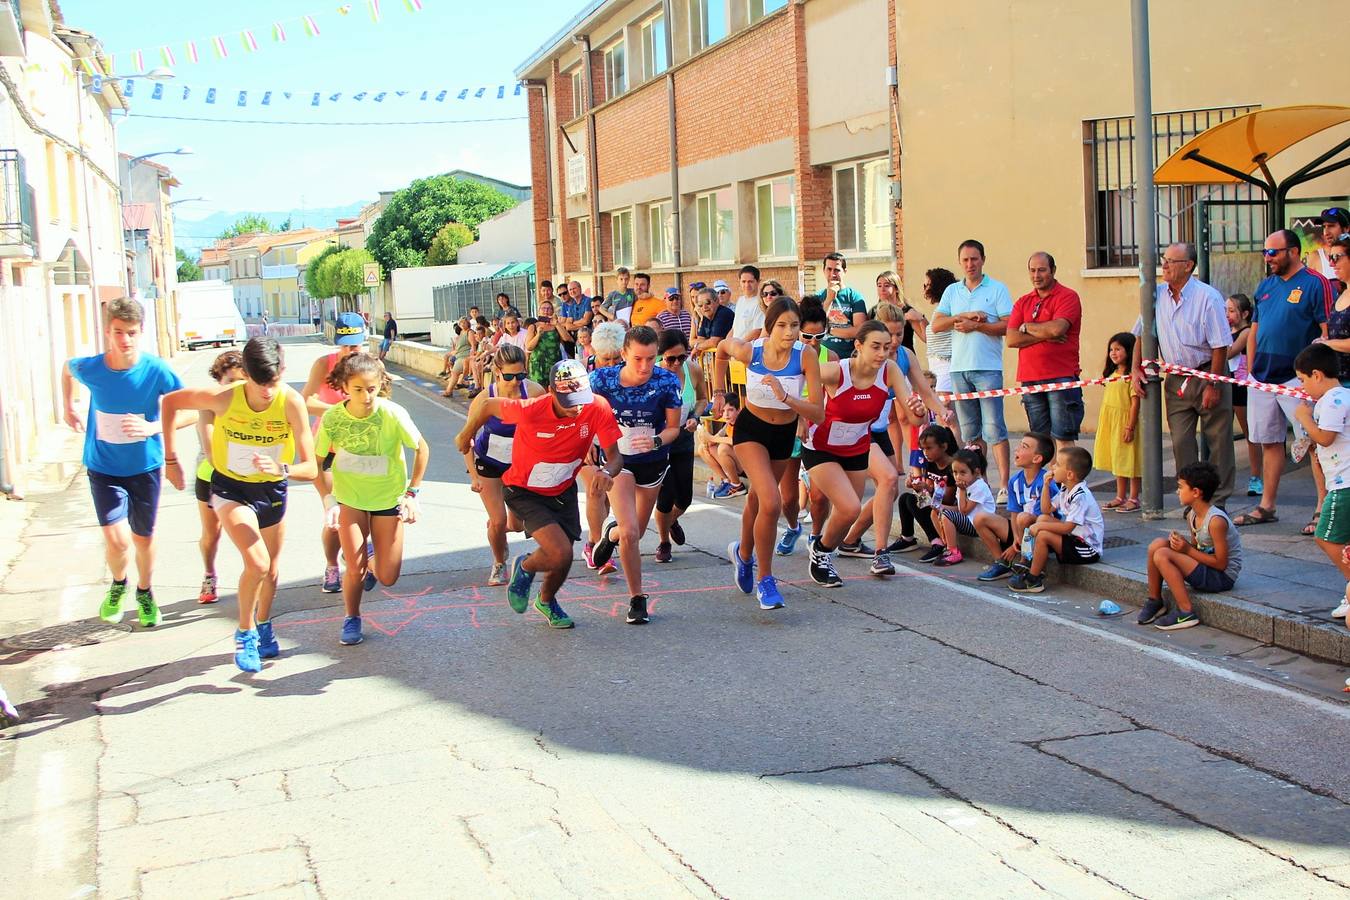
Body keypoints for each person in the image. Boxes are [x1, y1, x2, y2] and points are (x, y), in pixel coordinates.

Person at [162, 337, 318, 672]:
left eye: (273, 383)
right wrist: (171, 459)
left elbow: (312, 467)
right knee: (258, 562)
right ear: (245, 374)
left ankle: (263, 624)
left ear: (283, 372)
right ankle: (245, 632)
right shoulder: (222, 398)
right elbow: (170, 403)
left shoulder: (291, 402)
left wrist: (282, 469)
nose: (266, 392)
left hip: (272, 490)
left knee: (272, 569)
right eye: (259, 383)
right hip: (230, 489)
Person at [455, 359, 623, 630]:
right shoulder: (531, 409)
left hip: (563, 488)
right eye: (569, 400)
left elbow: (616, 457)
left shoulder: (597, 407)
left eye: (581, 398)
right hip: (523, 490)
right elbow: (486, 405)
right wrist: (467, 434)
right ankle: (526, 568)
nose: (577, 407)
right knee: (560, 552)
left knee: (563, 555)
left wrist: (607, 471)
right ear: (550, 391)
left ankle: (545, 598)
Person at [61, 298, 186, 627]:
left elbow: (188, 409)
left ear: (141, 331)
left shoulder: (156, 370)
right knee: (117, 540)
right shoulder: (92, 368)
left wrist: (152, 427)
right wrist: (69, 406)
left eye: (131, 332)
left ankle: (145, 591)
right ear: (107, 331)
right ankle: (118, 585)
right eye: (118, 332)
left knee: (143, 538)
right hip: (103, 468)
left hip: (145, 467)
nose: (124, 340)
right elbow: (66, 368)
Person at [315, 353, 430, 646]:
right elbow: (317, 463)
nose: (366, 396)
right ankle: (351, 617)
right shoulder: (332, 418)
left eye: (372, 389)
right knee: (353, 569)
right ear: (344, 386)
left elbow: (421, 449)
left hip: (387, 498)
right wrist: (329, 500)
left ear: (380, 385)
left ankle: (367, 554)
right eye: (358, 390)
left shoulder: (392, 413)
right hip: (350, 499)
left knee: (388, 576)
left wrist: (412, 494)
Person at [717, 298, 825, 609]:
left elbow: (817, 413)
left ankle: (744, 554)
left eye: (794, 325)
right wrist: (719, 391)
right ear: (769, 327)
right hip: (751, 431)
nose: (790, 332)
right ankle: (766, 579)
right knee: (771, 501)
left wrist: (786, 396)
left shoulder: (806, 356)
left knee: (758, 499)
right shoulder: (752, 351)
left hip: (783, 434)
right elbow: (723, 348)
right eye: (782, 325)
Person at [801, 321, 915, 584]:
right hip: (821, 447)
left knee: (846, 512)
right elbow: (800, 377)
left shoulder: (889, 371)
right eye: (875, 347)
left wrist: (918, 410)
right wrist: (799, 416)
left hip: (856, 448)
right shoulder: (835, 371)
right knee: (850, 507)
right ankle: (820, 552)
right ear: (858, 346)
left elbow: (912, 416)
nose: (882, 353)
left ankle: (825, 549)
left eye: (886, 347)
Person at [586, 326, 684, 624]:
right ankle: (636, 598)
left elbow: (673, 428)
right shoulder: (601, 380)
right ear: (624, 353)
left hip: (653, 461)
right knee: (631, 532)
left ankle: (610, 535)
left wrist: (656, 440)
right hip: (619, 460)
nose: (644, 367)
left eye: (651, 359)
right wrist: (589, 441)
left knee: (635, 532)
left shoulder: (666, 380)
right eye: (638, 359)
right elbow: (582, 415)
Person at [1129, 241, 1236, 513]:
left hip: (1208, 370)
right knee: (1180, 442)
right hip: (1176, 377)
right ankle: (1191, 497)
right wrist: (1135, 368)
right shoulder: (1156, 295)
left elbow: (1220, 345)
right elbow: (1142, 332)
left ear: (1188, 266)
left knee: (1218, 440)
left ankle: (1218, 499)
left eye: (1171, 261)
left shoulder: (1207, 297)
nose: (1164, 265)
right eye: (1163, 259)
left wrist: (1213, 384)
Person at [1236, 229, 1331, 526]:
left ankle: (1322, 508)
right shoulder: (1265, 286)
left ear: (1292, 251)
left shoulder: (1316, 283)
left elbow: (1327, 332)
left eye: (1273, 252)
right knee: (1269, 441)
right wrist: (1251, 371)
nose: (1268, 258)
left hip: (1297, 377)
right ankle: (1267, 505)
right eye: (1265, 252)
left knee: (1314, 442)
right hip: (1263, 376)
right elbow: (1255, 330)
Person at [931, 239, 1013, 499]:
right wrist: (961, 318)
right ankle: (981, 484)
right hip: (959, 369)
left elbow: (1007, 325)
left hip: (987, 367)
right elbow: (936, 324)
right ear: (960, 262)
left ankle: (1004, 485)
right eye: (965, 260)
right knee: (970, 432)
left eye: (974, 259)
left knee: (994, 428)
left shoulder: (997, 289)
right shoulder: (953, 292)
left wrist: (978, 326)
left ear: (983, 260)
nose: (970, 264)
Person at [465, 344, 546, 586]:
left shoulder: (534, 392)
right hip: (488, 462)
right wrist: (473, 476)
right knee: (498, 520)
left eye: (520, 376)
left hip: (518, 466)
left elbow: (548, 428)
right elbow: (466, 438)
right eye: (508, 376)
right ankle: (499, 563)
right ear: (497, 371)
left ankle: (498, 531)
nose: (514, 382)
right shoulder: (485, 397)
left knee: (516, 524)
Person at [303, 311, 368, 593]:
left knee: (363, 511)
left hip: (362, 452)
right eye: (344, 345)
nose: (349, 351)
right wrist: (339, 411)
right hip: (326, 451)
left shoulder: (372, 367)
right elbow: (305, 400)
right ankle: (331, 566)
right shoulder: (324, 364)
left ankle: (354, 555)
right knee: (336, 513)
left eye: (354, 345)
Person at [1138, 462, 1242, 631]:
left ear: (1196, 492)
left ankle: (1186, 611)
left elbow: (1221, 564)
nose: (1178, 491)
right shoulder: (1192, 514)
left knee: (1162, 554)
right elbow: (1197, 547)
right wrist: (1182, 545)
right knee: (1156, 545)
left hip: (1222, 577)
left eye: (1181, 487)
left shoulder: (1216, 521)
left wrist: (1186, 550)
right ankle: (1155, 600)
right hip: (1207, 568)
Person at [1291, 343, 1350, 620]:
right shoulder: (1337, 398)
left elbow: (1325, 437)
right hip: (1341, 481)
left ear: (1317, 374)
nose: (1302, 388)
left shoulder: (1334, 400)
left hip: (1344, 484)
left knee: (1325, 536)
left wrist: (1303, 418)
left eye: (1302, 380)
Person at [1005, 251, 1084, 451]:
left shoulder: (1068, 296)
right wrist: (1045, 333)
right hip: (1030, 378)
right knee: (1040, 442)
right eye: (1032, 271)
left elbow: (1058, 329)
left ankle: (1067, 481)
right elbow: (1012, 339)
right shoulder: (1023, 301)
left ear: (1053, 270)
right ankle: (1048, 482)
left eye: (1042, 270)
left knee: (1063, 438)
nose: (1036, 276)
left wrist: (1027, 326)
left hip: (1061, 377)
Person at [775, 298, 835, 553]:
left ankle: (817, 535)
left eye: (819, 335)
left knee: (819, 495)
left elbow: (834, 397)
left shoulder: (829, 356)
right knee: (788, 498)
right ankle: (792, 527)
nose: (813, 341)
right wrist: (799, 418)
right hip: (789, 425)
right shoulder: (786, 354)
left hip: (818, 427)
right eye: (807, 335)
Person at [1009, 447, 1103, 594]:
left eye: (1057, 464)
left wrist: (1039, 527)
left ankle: (1033, 580)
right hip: (1074, 537)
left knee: (1043, 534)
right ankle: (1030, 558)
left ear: (1070, 474)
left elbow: (1067, 528)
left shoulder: (1080, 496)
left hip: (1087, 548)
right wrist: (1046, 485)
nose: (1052, 467)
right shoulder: (1066, 488)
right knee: (1042, 517)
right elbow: (1046, 510)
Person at [194, 350, 245, 604]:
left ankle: (255, 578)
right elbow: (211, 449)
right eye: (230, 381)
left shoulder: (253, 403)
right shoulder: (209, 405)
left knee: (247, 532)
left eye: (242, 380)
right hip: (211, 476)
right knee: (211, 534)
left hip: (246, 476)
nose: (237, 387)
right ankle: (209, 573)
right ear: (219, 382)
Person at [974, 432, 1057, 582]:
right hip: (1020, 530)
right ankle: (1002, 562)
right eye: (1019, 445)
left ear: (1037, 458)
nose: (1017, 449)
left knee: (1025, 518)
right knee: (980, 518)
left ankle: (1025, 563)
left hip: (1040, 535)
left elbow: (1040, 519)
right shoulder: (1014, 481)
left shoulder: (1046, 482)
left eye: (1024, 447)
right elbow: (1014, 513)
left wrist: (1016, 545)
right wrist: (1016, 539)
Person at [653, 329, 706, 563]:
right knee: (665, 497)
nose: (676, 363)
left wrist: (696, 415)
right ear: (660, 355)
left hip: (684, 436)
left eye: (681, 357)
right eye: (670, 358)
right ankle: (664, 542)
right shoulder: (651, 373)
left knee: (684, 498)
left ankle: (672, 520)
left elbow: (703, 398)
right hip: (660, 440)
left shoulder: (692, 369)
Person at [578, 322, 626, 574]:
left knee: (610, 496)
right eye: (606, 359)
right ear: (596, 353)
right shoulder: (584, 372)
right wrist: (583, 443)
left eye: (617, 358)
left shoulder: (629, 371)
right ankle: (597, 547)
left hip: (617, 439)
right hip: (589, 439)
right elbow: (575, 412)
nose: (612, 364)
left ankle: (603, 540)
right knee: (595, 491)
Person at [891, 424, 958, 560]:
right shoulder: (930, 463)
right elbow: (926, 494)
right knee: (906, 498)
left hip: (949, 510)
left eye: (929, 448)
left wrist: (928, 489)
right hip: (935, 503)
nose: (925, 453)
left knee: (917, 502)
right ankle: (907, 538)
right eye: (923, 449)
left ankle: (937, 542)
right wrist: (917, 487)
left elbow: (948, 500)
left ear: (944, 447)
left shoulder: (953, 467)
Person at [1096, 332, 1142, 513]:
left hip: (1125, 423)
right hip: (1111, 423)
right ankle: (1119, 496)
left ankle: (1133, 497)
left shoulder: (1132, 376)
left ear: (1129, 351)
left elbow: (1135, 402)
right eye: (1111, 350)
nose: (1113, 353)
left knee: (1131, 460)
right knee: (1118, 459)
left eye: (1118, 349)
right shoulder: (1112, 374)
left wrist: (1130, 426)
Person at [932, 446, 996, 568]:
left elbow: (964, 510)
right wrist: (939, 507)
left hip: (979, 525)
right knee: (935, 513)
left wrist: (961, 491)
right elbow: (959, 509)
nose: (958, 477)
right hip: (968, 520)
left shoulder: (979, 486)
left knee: (946, 515)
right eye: (955, 473)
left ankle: (954, 551)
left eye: (963, 472)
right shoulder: (964, 485)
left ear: (976, 472)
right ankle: (946, 546)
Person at [917, 267, 960, 436]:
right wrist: (919, 320)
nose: (924, 288)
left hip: (946, 367)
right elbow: (930, 336)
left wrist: (920, 319)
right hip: (936, 366)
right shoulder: (940, 309)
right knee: (942, 417)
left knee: (947, 417)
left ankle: (954, 454)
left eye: (927, 284)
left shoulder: (950, 308)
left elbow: (935, 331)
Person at [1226, 293, 1261, 498]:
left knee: (1250, 434)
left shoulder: (1246, 332)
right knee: (1222, 433)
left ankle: (1256, 477)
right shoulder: (1226, 331)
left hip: (1241, 385)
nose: (1228, 315)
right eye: (1226, 311)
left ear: (1245, 313)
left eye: (1232, 311)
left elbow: (1230, 352)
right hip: (1226, 383)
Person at [811, 253, 868, 361]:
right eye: (829, 269)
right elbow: (815, 328)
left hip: (849, 359)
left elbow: (860, 331)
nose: (833, 274)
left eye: (837, 270)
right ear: (823, 271)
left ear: (845, 271)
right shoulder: (817, 298)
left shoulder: (854, 297)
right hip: (823, 358)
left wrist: (829, 329)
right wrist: (829, 300)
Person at [699, 396, 744, 496]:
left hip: (746, 465)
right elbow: (714, 439)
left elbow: (734, 441)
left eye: (730, 410)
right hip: (735, 462)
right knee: (703, 449)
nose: (726, 414)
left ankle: (737, 486)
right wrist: (705, 440)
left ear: (738, 410)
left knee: (723, 448)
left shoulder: (742, 423)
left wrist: (711, 438)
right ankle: (726, 481)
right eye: (723, 411)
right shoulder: (728, 424)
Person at [875, 270, 925, 353]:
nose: (882, 289)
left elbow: (925, 337)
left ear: (897, 289)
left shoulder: (908, 311)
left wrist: (921, 318)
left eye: (886, 285)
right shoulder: (874, 311)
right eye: (879, 286)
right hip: (883, 358)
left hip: (905, 357)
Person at [526, 298, 571, 385]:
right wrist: (538, 335)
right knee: (539, 391)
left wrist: (557, 324)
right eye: (543, 308)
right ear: (539, 311)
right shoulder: (533, 327)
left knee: (556, 389)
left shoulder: (556, 325)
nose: (546, 311)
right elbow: (529, 347)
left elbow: (566, 338)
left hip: (554, 362)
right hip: (538, 364)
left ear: (552, 311)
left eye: (549, 308)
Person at [692, 286, 734, 360]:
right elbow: (698, 339)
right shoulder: (706, 316)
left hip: (731, 361)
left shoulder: (723, 313)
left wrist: (697, 346)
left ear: (717, 301)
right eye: (700, 305)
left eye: (707, 303)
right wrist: (706, 343)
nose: (704, 307)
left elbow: (714, 342)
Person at [1309, 207, 1349, 280]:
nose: (1326, 233)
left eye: (1331, 226)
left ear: (1346, 228)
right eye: (1324, 227)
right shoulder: (1315, 257)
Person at [442, 317, 475, 396]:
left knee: (455, 372)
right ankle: (449, 390)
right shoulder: (461, 333)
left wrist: (471, 356)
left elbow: (473, 345)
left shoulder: (469, 332)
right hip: (459, 356)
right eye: (461, 323)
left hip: (465, 356)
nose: (463, 324)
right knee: (454, 373)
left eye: (464, 323)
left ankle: (449, 391)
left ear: (468, 323)